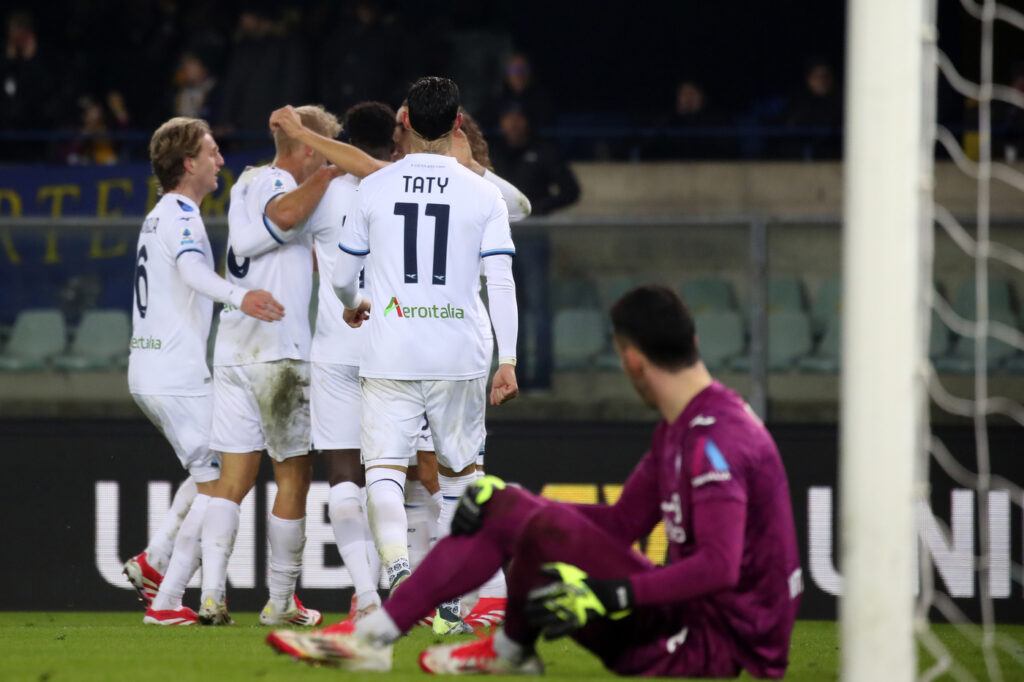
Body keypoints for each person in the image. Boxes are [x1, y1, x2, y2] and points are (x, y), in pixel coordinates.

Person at [267, 284, 803, 678]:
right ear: (692, 340)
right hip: (691, 622)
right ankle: (392, 638)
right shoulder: (686, 425)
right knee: (506, 507)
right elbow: (623, 523)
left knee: (527, 522)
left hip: (718, 648)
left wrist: (613, 592)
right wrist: (514, 503)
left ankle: (457, 644)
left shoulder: (714, 440)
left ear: (632, 361)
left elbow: (719, 566)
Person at [272, 75, 520, 631]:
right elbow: (501, 282)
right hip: (458, 354)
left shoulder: (375, 187)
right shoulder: (482, 193)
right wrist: (507, 360)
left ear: (404, 124)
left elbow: (342, 277)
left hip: (389, 350)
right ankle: (450, 600)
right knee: (459, 479)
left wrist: (354, 305)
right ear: (458, 124)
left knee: (383, 470)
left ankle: (399, 570)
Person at [198, 104, 377, 627]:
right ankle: (279, 601)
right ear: (305, 148)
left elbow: (256, 240)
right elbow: (281, 219)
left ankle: (211, 596)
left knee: (232, 480)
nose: (326, 160)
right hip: (280, 351)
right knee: (293, 478)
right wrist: (331, 172)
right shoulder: (285, 185)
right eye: (321, 151)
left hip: (233, 349)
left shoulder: (246, 182)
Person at [123, 116, 284, 625]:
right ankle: (167, 600)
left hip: (151, 367)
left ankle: (156, 559)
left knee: (211, 471)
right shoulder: (183, 216)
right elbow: (193, 272)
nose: (221, 161)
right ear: (189, 163)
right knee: (220, 485)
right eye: (212, 152)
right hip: (177, 374)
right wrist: (241, 296)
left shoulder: (159, 216)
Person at [305, 101, 398, 627]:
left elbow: (283, 228)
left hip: (335, 347)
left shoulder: (324, 192)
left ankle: (365, 594)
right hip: (387, 347)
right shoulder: (397, 190)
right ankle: (408, 587)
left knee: (343, 476)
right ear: (393, 143)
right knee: (390, 473)